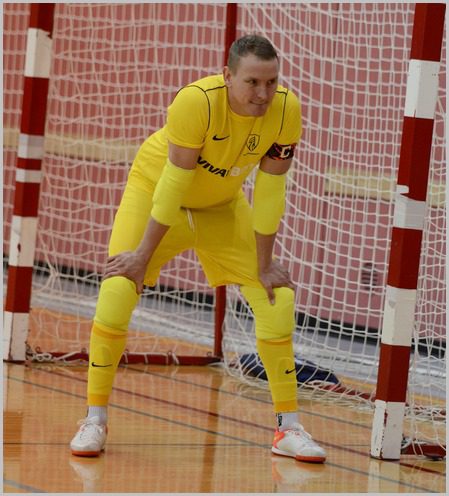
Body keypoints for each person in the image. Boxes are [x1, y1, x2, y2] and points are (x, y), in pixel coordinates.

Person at [70, 34, 326, 464]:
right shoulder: (196, 102)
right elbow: (173, 185)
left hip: (221, 208)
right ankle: (95, 419)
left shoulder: (286, 110)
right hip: (155, 194)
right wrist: (141, 257)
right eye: (252, 82)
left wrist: (265, 264)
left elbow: (270, 191)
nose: (263, 94)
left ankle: (288, 428)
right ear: (227, 76)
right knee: (117, 289)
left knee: (276, 298)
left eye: (271, 82)